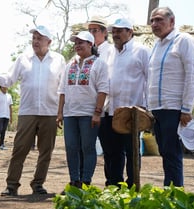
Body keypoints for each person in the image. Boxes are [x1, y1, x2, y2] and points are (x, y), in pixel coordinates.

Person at [0, 25, 66, 196]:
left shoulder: (59, 60)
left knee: (46, 151)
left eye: (40, 38)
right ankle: (12, 185)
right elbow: (8, 80)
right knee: (20, 149)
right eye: (34, 38)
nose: (35, 41)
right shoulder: (23, 59)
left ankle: (38, 184)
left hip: (50, 112)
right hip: (27, 112)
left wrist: (62, 112)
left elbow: (63, 87)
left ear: (49, 41)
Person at [148, 7, 194, 186]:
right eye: (152, 20)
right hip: (157, 110)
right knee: (164, 152)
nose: (155, 24)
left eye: (159, 20)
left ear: (172, 21)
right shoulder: (156, 46)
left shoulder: (183, 40)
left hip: (174, 109)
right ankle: (168, 192)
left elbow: (192, 74)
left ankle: (175, 196)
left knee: (172, 153)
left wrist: (186, 109)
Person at [56, 31, 109, 188]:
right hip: (70, 113)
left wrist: (97, 113)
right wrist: (60, 113)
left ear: (90, 44)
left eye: (81, 42)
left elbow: (103, 89)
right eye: (76, 43)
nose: (77, 45)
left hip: (89, 114)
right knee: (71, 147)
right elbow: (62, 90)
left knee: (87, 147)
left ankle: (86, 182)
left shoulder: (99, 64)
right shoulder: (70, 65)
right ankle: (74, 180)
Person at [105, 18, 150, 187]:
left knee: (132, 151)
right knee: (113, 151)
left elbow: (149, 79)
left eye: (119, 30)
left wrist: (146, 108)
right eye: (113, 31)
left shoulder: (142, 51)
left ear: (130, 32)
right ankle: (115, 186)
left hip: (133, 112)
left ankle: (133, 185)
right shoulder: (109, 52)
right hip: (111, 111)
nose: (115, 34)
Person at [86, 15, 114, 186]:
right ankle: (82, 182)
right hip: (86, 108)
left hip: (105, 108)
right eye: (89, 31)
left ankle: (111, 183)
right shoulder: (85, 53)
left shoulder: (111, 51)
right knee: (85, 147)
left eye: (95, 30)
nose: (92, 34)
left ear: (104, 33)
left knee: (109, 149)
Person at [0, 86, 13, 150]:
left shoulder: (9, 96)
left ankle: (2, 145)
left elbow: (10, 107)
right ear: (1, 87)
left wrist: (11, 117)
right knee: (0, 129)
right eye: (4, 87)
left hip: (6, 115)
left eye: (6, 87)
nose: (5, 88)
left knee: (4, 130)